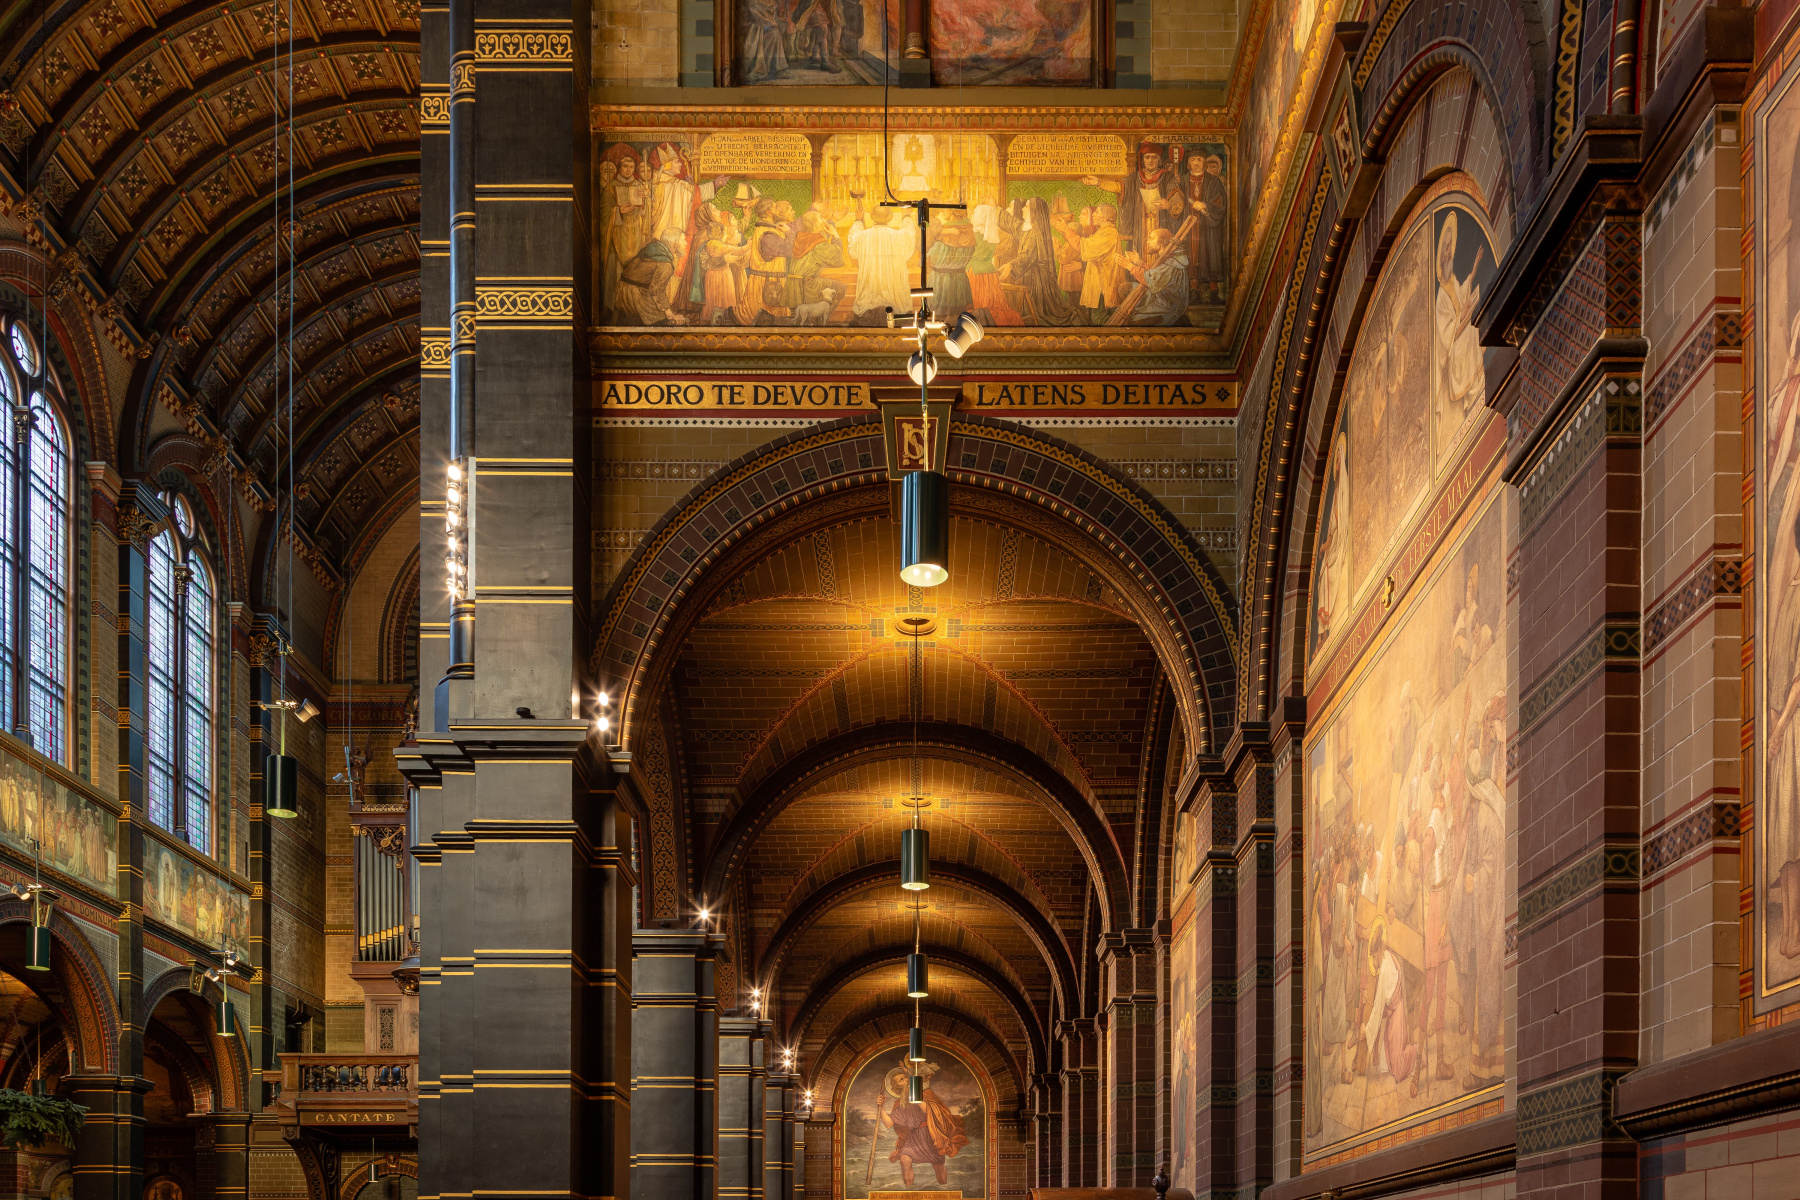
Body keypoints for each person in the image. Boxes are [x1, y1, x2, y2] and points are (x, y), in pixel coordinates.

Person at [1433, 210, 1487, 437]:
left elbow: (1463, 296)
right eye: (1444, 249)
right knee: (1470, 333)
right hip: (1451, 351)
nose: (1448, 252)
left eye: (1449, 247)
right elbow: (1447, 336)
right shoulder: (1440, 298)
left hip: (1460, 332)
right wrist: (1461, 318)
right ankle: (1474, 393)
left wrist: (1474, 270)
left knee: (1474, 326)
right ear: (1440, 257)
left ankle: (1478, 388)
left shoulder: (1453, 281)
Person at [873, 1065, 968, 1187]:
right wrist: (880, 1107)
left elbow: (931, 1111)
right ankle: (909, 1192)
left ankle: (944, 1190)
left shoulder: (926, 1093)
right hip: (914, 1137)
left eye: (906, 1077)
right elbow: (888, 1123)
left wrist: (915, 1095)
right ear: (897, 1087)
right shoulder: (900, 1104)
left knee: (938, 1166)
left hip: (931, 1134)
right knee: (904, 1159)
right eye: (901, 1080)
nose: (907, 1080)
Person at [1084, 141, 1180, 255]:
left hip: (1162, 223)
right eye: (1147, 157)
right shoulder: (1135, 178)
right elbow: (1119, 187)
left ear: (1159, 160)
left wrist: (1168, 204)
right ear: (1143, 160)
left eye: (1154, 157)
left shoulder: (1167, 177)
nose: (1150, 161)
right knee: (1139, 253)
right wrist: (1099, 182)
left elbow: (1178, 201)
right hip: (1139, 226)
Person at [1002, 196, 1081, 325]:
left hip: (1036, 279)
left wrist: (1011, 265)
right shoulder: (1028, 229)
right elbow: (1012, 224)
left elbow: (1027, 255)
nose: (1022, 209)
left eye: (1026, 206)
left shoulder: (1035, 233)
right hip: (1028, 275)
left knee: (1040, 313)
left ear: (1034, 211)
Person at [600, 146, 652, 314]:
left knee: (635, 267)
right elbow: (603, 212)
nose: (629, 170)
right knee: (617, 269)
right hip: (618, 234)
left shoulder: (638, 185)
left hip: (635, 233)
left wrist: (644, 203)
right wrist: (618, 211)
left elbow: (645, 215)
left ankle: (632, 303)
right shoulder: (611, 186)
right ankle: (616, 305)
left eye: (631, 167)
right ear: (620, 168)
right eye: (625, 166)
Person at [1172, 151, 1228, 303]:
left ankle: (1214, 291)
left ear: (1204, 162)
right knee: (1191, 254)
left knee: (1210, 254)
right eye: (1192, 159)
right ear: (1188, 163)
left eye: (1199, 159)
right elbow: (1175, 201)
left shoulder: (1214, 180)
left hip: (1208, 226)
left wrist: (1205, 205)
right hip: (1188, 224)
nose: (1196, 162)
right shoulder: (1182, 180)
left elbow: (1221, 203)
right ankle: (1194, 290)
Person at [847, 202, 917, 322]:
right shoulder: (899, 237)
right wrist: (906, 216)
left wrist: (858, 220)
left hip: (867, 305)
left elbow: (853, 240)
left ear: (872, 216)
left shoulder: (863, 237)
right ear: (890, 217)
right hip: (896, 304)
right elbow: (909, 236)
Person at [614, 230, 689, 325]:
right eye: (682, 240)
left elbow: (626, 265)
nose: (685, 243)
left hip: (621, 290)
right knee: (662, 321)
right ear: (674, 243)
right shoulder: (665, 264)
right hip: (636, 295)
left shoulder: (651, 249)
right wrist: (670, 314)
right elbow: (656, 291)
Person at [1063, 204, 1124, 322]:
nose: (1094, 215)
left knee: (1100, 320)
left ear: (1106, 216)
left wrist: (1066, 230)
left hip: (1103, 286)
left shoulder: (1108, 233)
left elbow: (1085, 246)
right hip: (1101, 285)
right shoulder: (1103, 232)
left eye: (1097, 212)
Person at [966, 203, 1022, 325]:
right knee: (991, 306)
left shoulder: (975, 235)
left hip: (975, 274)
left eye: (975, 214)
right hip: (990, 275)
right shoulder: (991, 236)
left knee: (978, 307)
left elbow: (970, 255)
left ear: (980, 217)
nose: (973, 216)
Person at [1122, 227, 1190, 325]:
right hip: (1160, 297)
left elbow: (1151, 279)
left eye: (1151, 238)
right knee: (1124, 288)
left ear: (1161, 242)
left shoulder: (1171, 262)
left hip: (1167, 306)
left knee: (1132, 322)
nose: (1147, 242)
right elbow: (1156, 272)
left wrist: (1129, 266)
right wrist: (1138, 262)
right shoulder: (1166, 257)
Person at [926, 211, 977, 318]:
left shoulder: (944, 231)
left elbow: (932, 258)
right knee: (959, 317)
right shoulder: (969, 230)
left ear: (952, 211)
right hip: (960, 281)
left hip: (941, 281)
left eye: (946, 208)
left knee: (939, 317)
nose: (943, 211)